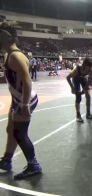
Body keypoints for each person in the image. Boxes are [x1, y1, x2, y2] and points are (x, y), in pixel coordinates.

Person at [0, 22, 42, 180]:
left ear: (7, 36)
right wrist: (15, 104)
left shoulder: (16, 56)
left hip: (26, 99)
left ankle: (34, 165)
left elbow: (27, 81)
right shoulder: (8, 54)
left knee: (20, 133)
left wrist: (24, 105)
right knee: (11, 129)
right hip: (18, 98)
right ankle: (7, 160)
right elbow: (14, 83)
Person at [66, 58, 92, 123]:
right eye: (89, 67)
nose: (90, 69)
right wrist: (72, 88)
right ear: (84, 65)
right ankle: (78, 115)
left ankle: (88, 114)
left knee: (88, 95)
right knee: (78, 97)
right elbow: (68, 77)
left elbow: (90, 80)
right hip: (76, 79)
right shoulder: (77, 69)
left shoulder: (90, 70)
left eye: (91, 67)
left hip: (83, 78)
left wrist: (85, 88)